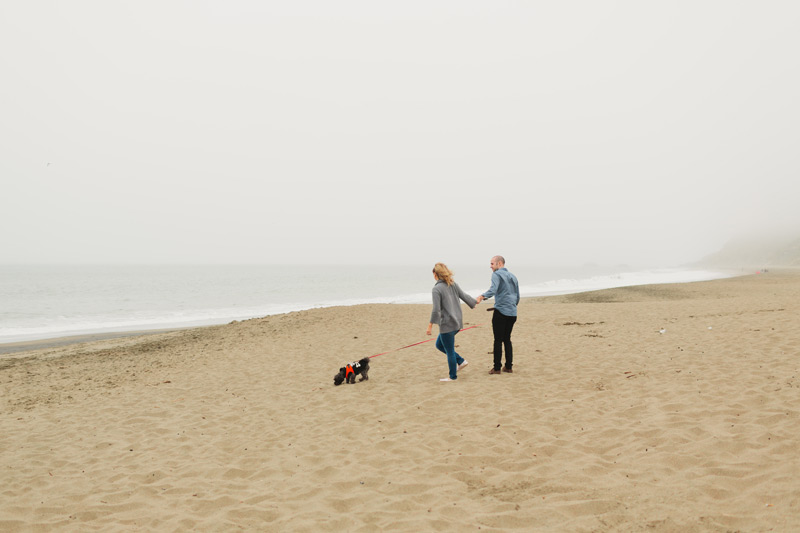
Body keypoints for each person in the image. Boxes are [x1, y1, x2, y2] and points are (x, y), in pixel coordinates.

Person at [427, 263, 477, 382]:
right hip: (457, 323)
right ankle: (460, 361)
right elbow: (465, 296)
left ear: (436, 274)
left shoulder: (436, 289)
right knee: (439, 344)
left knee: (449, 350)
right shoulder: (452, 284)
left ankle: (452, 377)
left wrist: (430, 326)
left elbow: (436, 310)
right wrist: (473, 303)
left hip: (447, 324)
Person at [476, 255, 520, 374]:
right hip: (512, 312)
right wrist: (511, 306)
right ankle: (509, 366)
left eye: (492, 263)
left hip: (501, 312)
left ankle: (497, 368)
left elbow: (493, 290)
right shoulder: (513, 276)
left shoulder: (496, 274)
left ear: (499, 263)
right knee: (507, 339)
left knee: (498, 340)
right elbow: (517, 296)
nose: (490, 266)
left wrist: (482, 296)